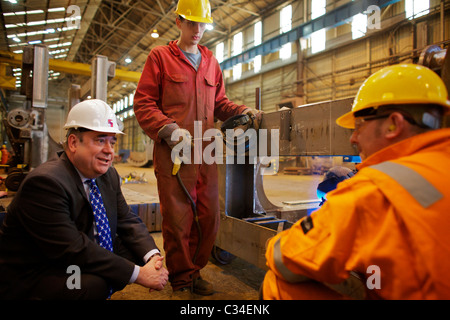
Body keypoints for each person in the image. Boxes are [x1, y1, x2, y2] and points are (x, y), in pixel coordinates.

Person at [262, 64, 450, 299]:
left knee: (277, 284)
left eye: (359, 126)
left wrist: (278, 241)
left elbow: (285, 259)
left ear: (394, 124)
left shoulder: (371, 191)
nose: (353, 137)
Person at [133, 0, 260, 298]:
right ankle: (180, 280)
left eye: (203, 24)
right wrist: (169, 130)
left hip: (206, 152)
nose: (198, 30)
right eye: (192, 23)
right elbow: (143, 103)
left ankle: (195, 271)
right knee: (178, 219)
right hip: (174, 154)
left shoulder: (210, 61)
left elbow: (220, 104)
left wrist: (244, 111)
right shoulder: (160, 58)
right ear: (178, 22)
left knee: (208, 216)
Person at [0, 99, 169, 300]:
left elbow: (126, 220)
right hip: (37, 272)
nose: (110, 151)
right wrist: (139, 275)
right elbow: (72, 248)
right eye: (100, 140)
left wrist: (153, 258)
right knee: (94, 284)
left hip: (71, 256)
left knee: (135, 255)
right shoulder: (45, 183)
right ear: (73, 143)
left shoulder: (109, 175)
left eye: (112, 142)